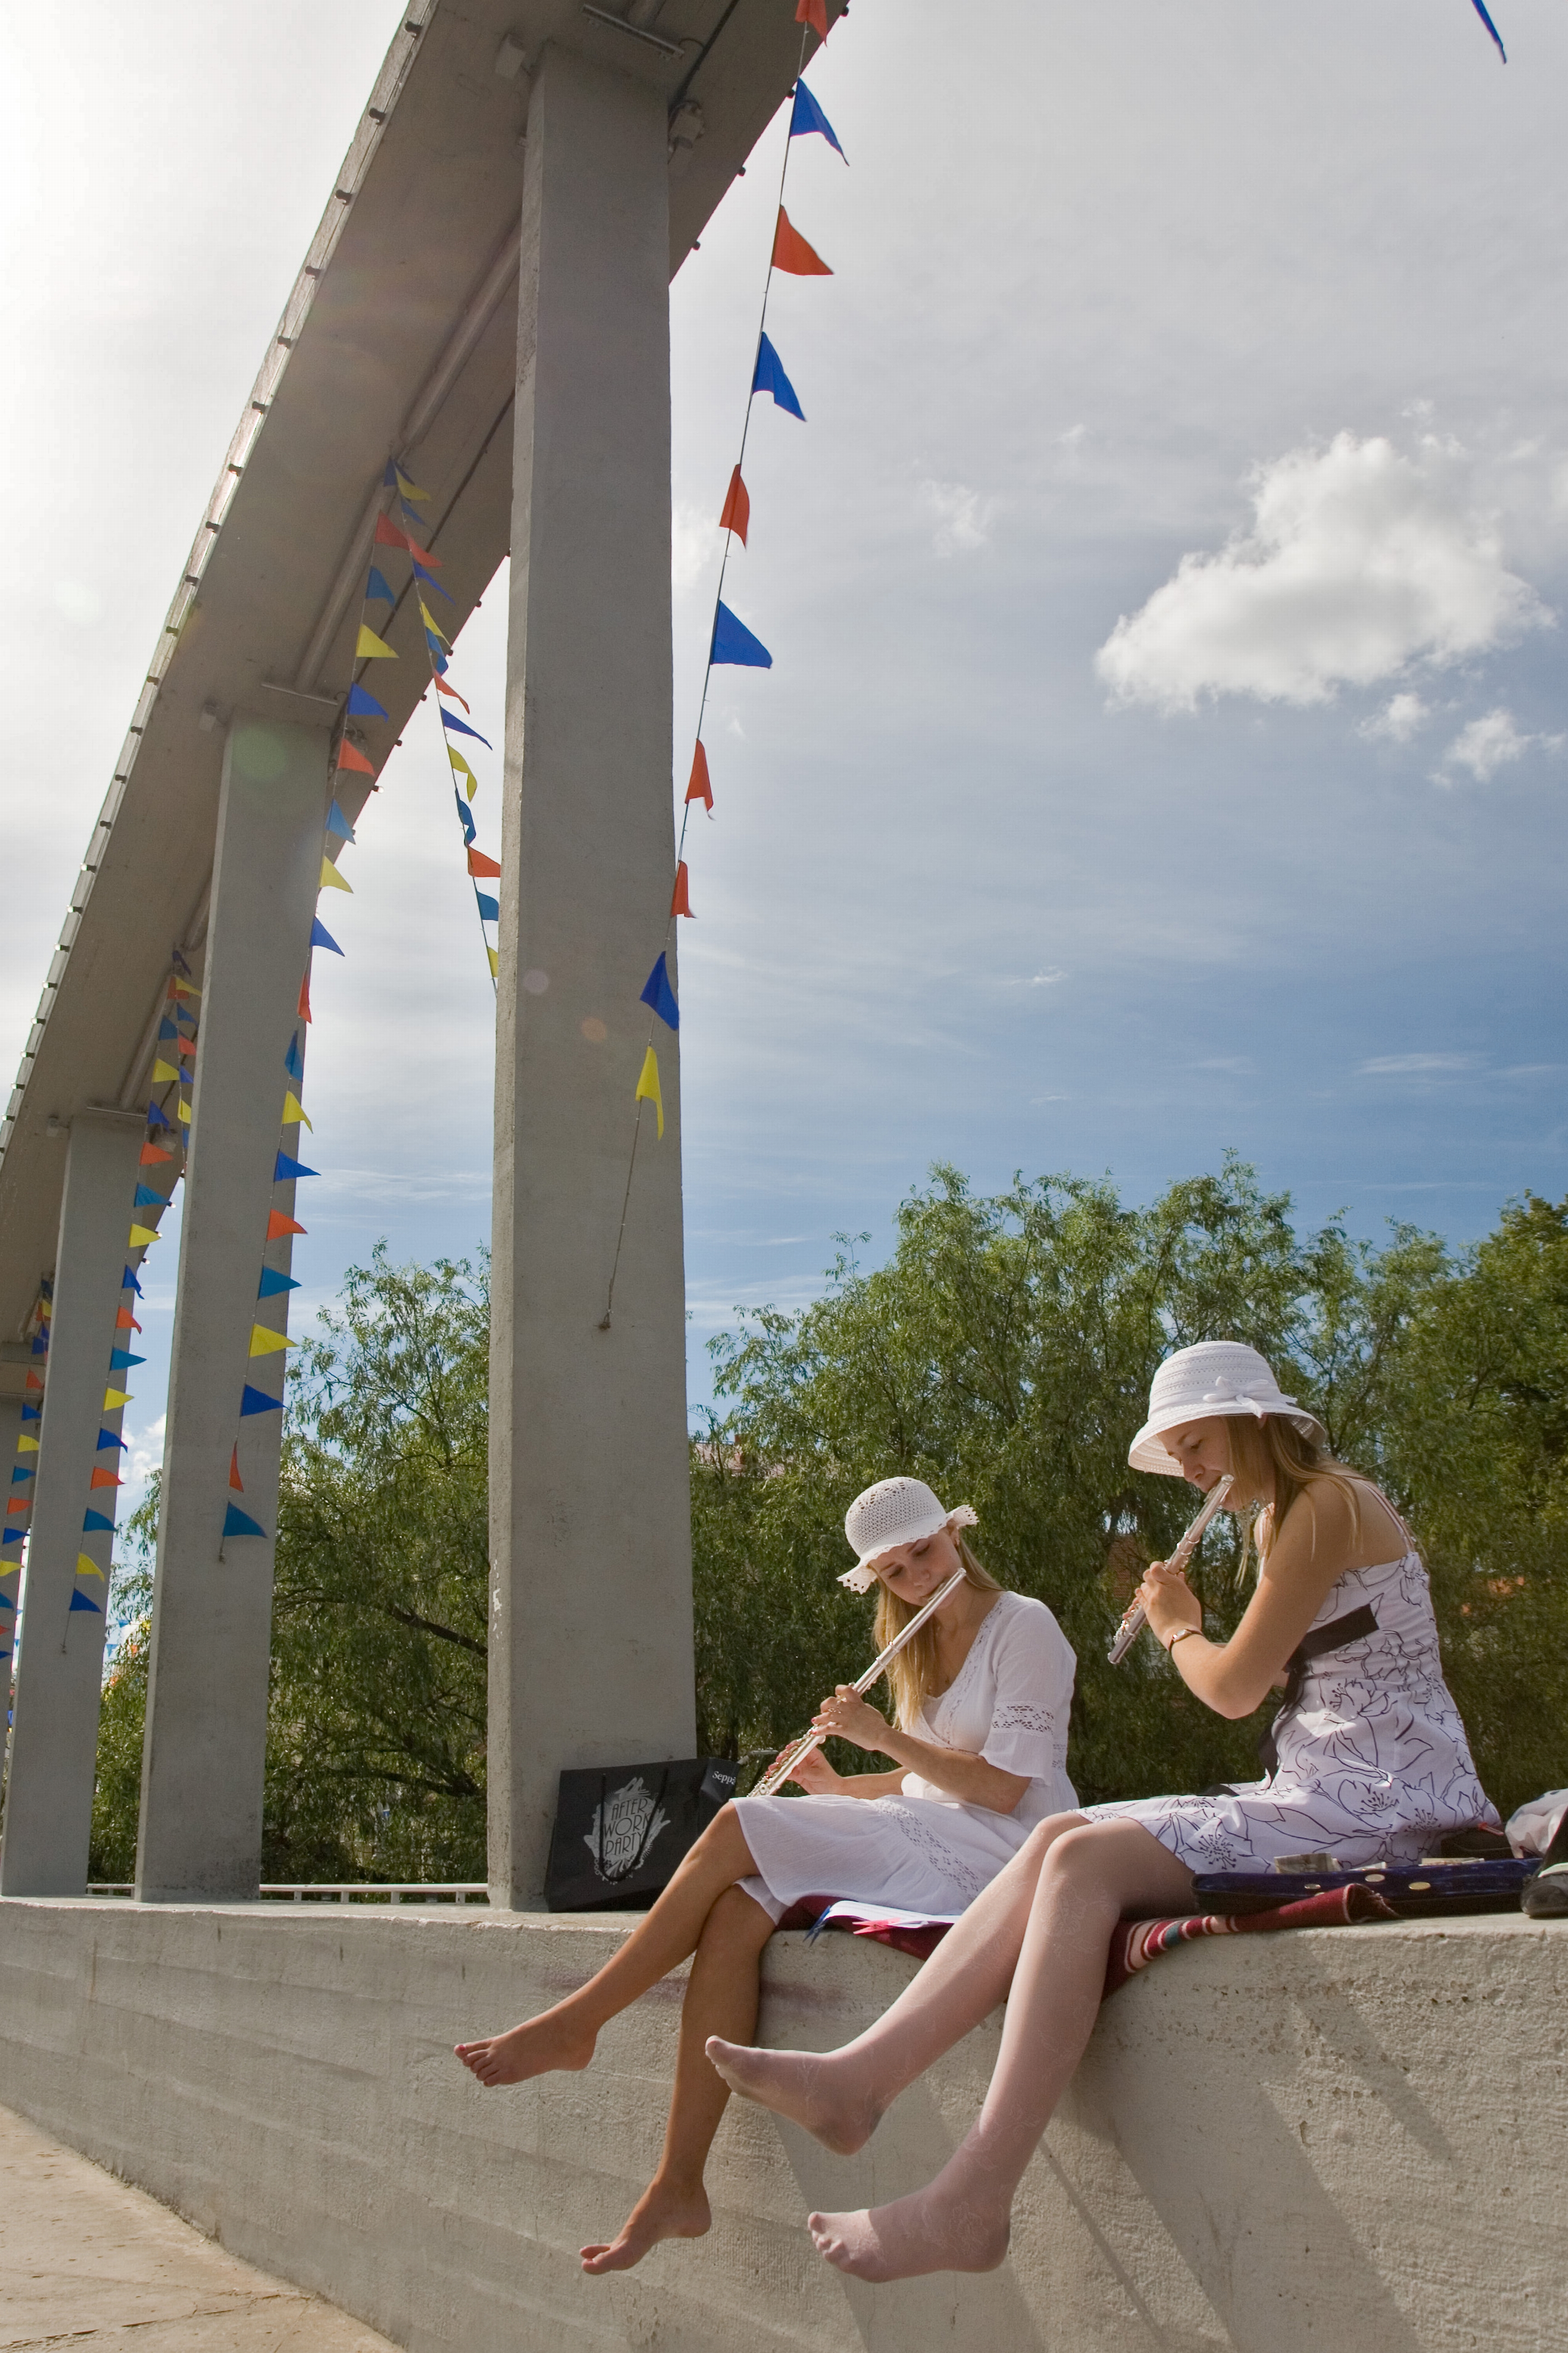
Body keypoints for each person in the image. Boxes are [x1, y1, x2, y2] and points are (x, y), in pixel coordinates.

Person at [707, 1341, 1500, 2283]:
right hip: (1327, 1784)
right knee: (1054, 1835)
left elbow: (1235, 1688)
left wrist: (1173, 1625)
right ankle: (860, 2077)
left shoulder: (1324, 1503)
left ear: (1255, 1420)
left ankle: (971, 2199)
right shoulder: (1278, 1522)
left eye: (1197, 1446)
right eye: (1180, 1457)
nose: (1193, 1473)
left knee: (1080, 1861)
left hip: (1383, 1798)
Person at [454, 1474, 1076, 2274]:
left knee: (737, 1822)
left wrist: (882, 1739)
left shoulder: (1025, 1626)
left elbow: (1001, 1787)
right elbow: (927, 1783)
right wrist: (836, 1787)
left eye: (924, 1553)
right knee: (738, 1913)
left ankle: (581, 2019)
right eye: (894, 1571)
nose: (916, 1576)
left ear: (956, 1534)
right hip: (934, 1828)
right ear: (878, 1582)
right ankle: (679, 2185)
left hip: (1010, 1850)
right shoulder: (916, 1644)